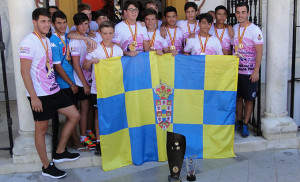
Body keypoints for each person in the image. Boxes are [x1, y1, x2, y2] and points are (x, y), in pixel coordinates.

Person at [19, 8, 80, 179]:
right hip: (40, 94)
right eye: (43, 21)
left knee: (74, 115)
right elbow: (24, 72)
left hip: (54, 89)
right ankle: (46, 166)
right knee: (41, 128)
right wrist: (34, 97)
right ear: (35, 22)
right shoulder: (28, 42)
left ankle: (59, 152)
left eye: (48, 21)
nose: (46, 25)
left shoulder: (46, 40)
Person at [82, 21, 124, 156]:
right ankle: (100, 142)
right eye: (104, 33)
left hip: (114, 88)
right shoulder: (94, 48)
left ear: (114, 33)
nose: (107, 36)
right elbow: (84, 66)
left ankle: (114, 140)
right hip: (97, 88)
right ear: (100, 33)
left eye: (110, 33)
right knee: (99, 115)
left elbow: (123, 68)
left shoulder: (118, 50)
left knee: (114, 114)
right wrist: (90, 61)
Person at [50, 10, 87, 151]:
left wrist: (88, 37)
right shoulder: (53, 41)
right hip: (64, 83)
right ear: (53, 24)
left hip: (72, 81)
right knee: (73, 115)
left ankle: (74, 141)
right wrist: (71, 83)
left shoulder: (66, 35)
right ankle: (75, 143)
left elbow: (72, 34)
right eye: (58, 23)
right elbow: (58, 66)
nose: (62, 25)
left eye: (64, 22)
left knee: (74, 112)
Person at [233, 2, 263, 137]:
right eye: (238, 12)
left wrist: (256, 70)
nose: (240, 15)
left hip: (249, 72)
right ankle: (238, 121)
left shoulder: (255, 30)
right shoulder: (234, 28)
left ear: (248, 13)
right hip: (235, 71)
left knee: (249, 100)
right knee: (238, 98)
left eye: (243, 12)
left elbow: (259, 52)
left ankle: (245, 124)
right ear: (235, 14)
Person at [69, 12, 96, 149]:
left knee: (91, 108)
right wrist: (84, 84)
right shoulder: (75, 41)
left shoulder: (87, 37)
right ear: (75, 26)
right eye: (80, 24)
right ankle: (83, 137)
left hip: (90, 79)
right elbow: (75, 64)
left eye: (86, 23)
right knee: (84, 109)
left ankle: (89, 132)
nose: (84, 26)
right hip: (81, 81)